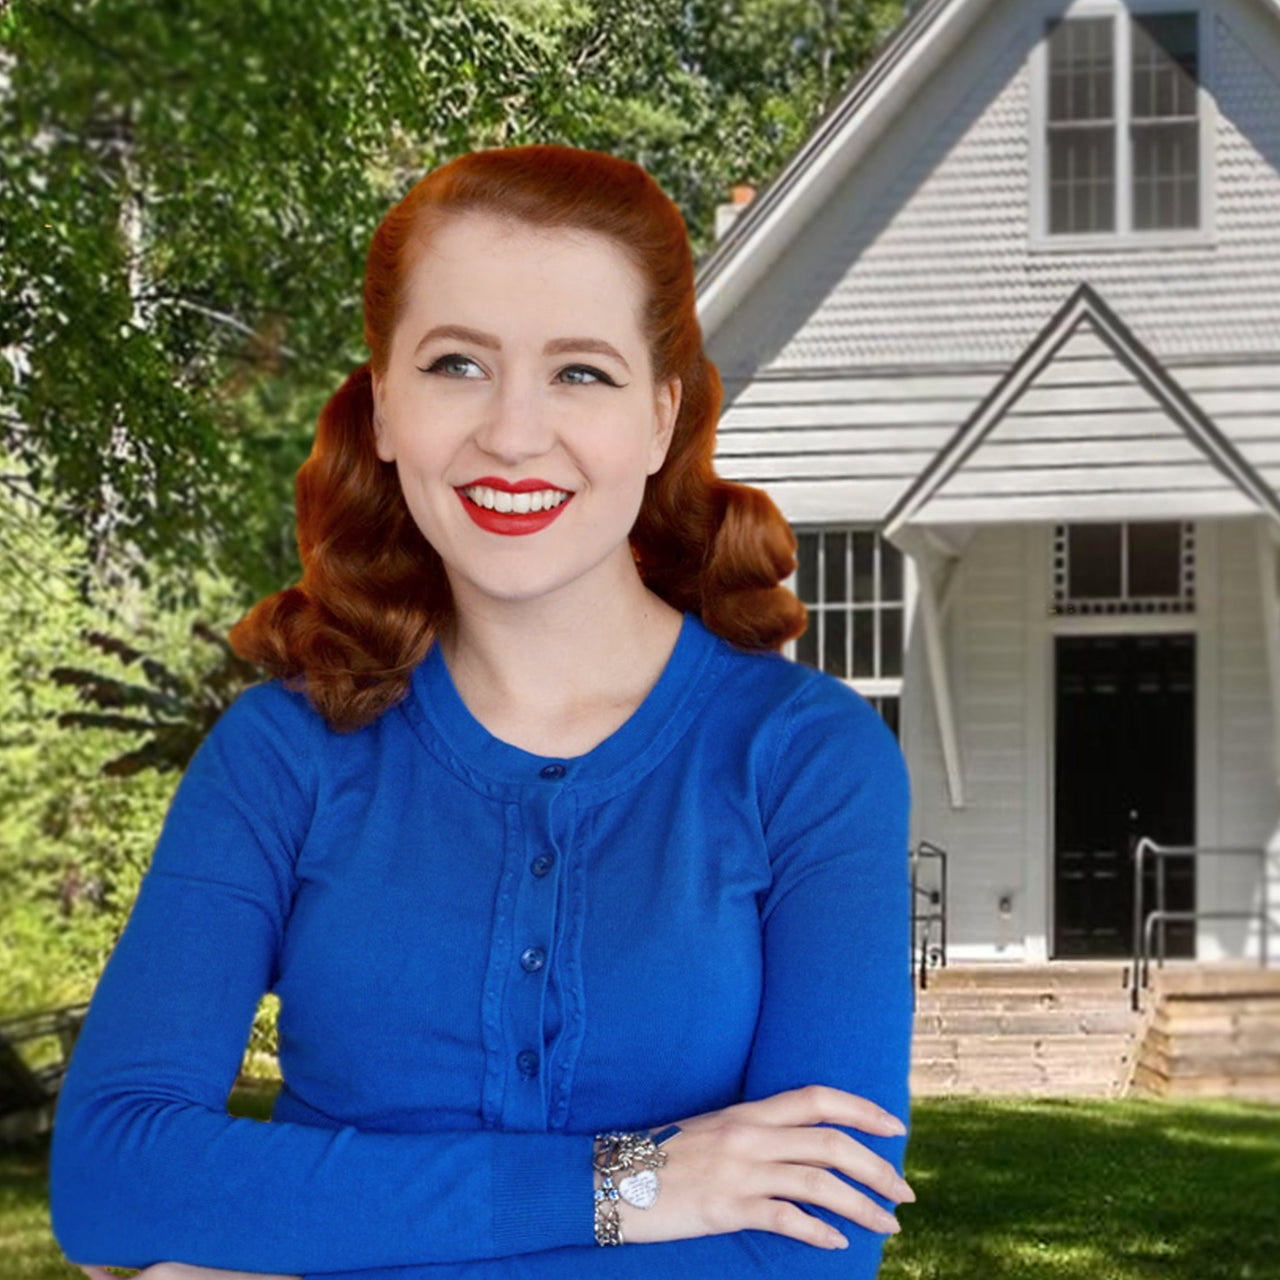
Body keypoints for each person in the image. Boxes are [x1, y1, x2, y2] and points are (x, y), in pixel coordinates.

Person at [49, 143, 916, 1280]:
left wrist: (276, 1245)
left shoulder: (806, 759)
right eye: (457, 363)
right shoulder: (281, 754)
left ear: (659, 419)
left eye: (580, 373)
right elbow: (115, 1172)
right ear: (385, 407)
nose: (513, 433)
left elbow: (807, 1243)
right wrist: (626, 1184)